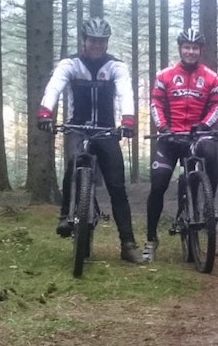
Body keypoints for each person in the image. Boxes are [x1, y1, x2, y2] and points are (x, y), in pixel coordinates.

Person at [37, 17, 142, 264]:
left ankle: (128, 244)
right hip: (76, 126)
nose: (97, 45)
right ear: (84, 41)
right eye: (93, 40)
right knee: (73, 161)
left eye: (101, 41)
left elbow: (126, 91)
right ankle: (65, 215)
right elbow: (54, 87)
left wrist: (128, 120)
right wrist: (45, 112)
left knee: (117, 187)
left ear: (106, 43)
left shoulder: (116, 66)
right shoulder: (70, 64)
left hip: (105, 130)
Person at [142, 27, 218, 263]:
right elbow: (156, 104)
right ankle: (151, 240)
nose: (190, 51)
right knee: (158, 184)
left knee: (210, 151)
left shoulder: (211, 77)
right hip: (170, 137)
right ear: (180, 49)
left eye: (195, 48)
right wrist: (163, 128)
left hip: (196, 135)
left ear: (201, 50)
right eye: (187, 47)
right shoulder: (165, 76)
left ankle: (208, 205)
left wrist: (204, 126)